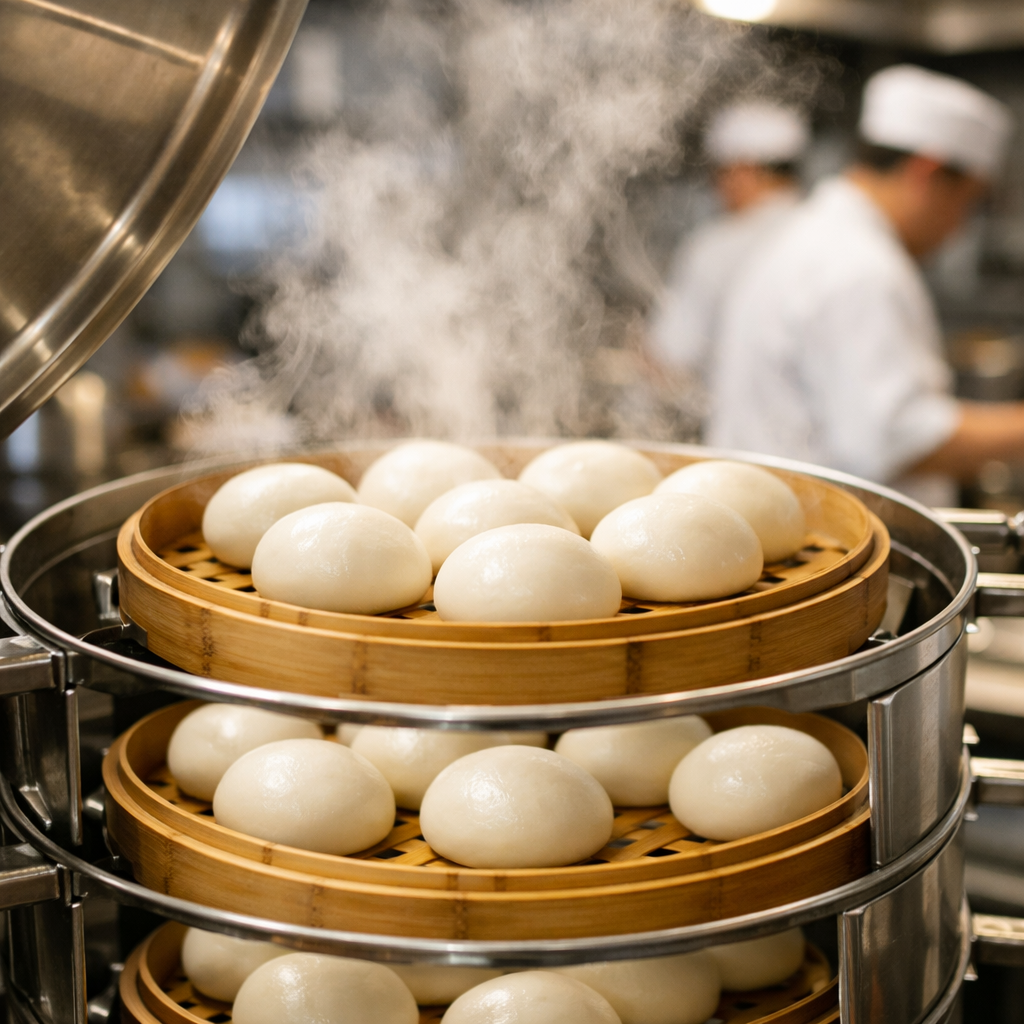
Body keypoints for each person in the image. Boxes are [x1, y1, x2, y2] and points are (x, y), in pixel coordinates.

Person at [707, 65, 1018, 507]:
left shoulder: (818, 235)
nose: (958, 228)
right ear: (927, 172)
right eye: (966, 202)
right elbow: (896, 440)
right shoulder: (860, 266)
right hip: (827, 548)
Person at [649, 101, 809, 388]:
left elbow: (671, 358)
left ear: (744, 170)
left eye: (719, 172)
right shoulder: (826, 238)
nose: (715, 186)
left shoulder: (714, 248)